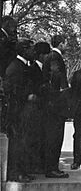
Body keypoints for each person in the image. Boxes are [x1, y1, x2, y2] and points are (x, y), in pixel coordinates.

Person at [3, 38, 35, 182]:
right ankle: (16, 173)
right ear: (23, 50)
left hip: (23, 112)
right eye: (31, 49)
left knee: (23, 142)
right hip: (17, 113)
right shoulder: (16, 67)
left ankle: (22, 171)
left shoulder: (23, 66)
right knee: (17, 143)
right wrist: (27, 96)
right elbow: (11, 90)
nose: (33, 51)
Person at [42, 34, 69, 178]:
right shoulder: (54, 57)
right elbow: (55, 77)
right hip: (55, 105)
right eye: (65, 44)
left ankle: (52, 167)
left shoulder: (52, 56)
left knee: (55, 137)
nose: (66, 46)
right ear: (60, 44)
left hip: (53, 104)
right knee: (55, 137)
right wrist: (65, 92)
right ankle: (52, 169)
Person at [24, 42, 51, 174]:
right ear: (42, 55)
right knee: (34, 139)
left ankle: (38, 166)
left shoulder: (43, 70)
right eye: (47, 55)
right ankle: (33, 167)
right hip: (35, 110)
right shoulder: (33, 70)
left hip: (41, 110)